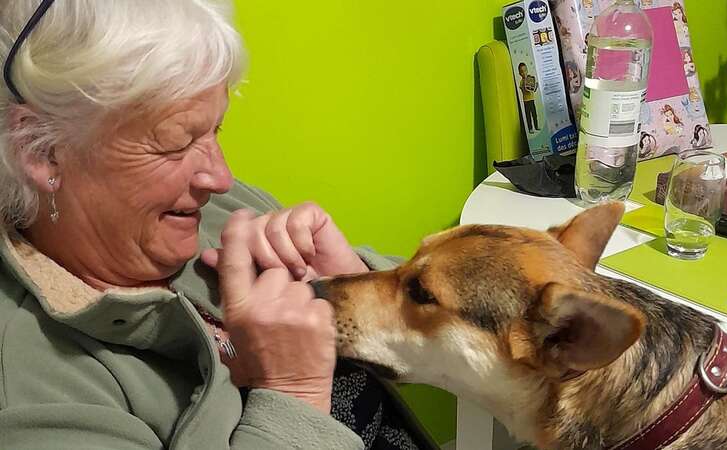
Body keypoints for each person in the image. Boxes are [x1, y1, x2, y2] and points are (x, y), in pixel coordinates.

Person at [0, 1, 436, 449]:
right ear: (42, 151)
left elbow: (468, 328)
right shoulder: (31, 385)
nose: (220, 177)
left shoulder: (221, 210)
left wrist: (360, 290)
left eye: (216, 131)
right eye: (176, 142)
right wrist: (294, 396)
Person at [517, 62, 539, 133]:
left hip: (532, 99)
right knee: (528, 115)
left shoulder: (530, 79)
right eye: (522, 72)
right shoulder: (521, 81)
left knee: (534, 114)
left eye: (525, 70)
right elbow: (523, 90)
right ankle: (530, 128)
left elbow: (533, 90)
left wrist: (536, 86)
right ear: (519, 73)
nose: (524, 73)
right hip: (526, 100)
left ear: (527, 70)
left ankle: (536, 126)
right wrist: (525, 86)